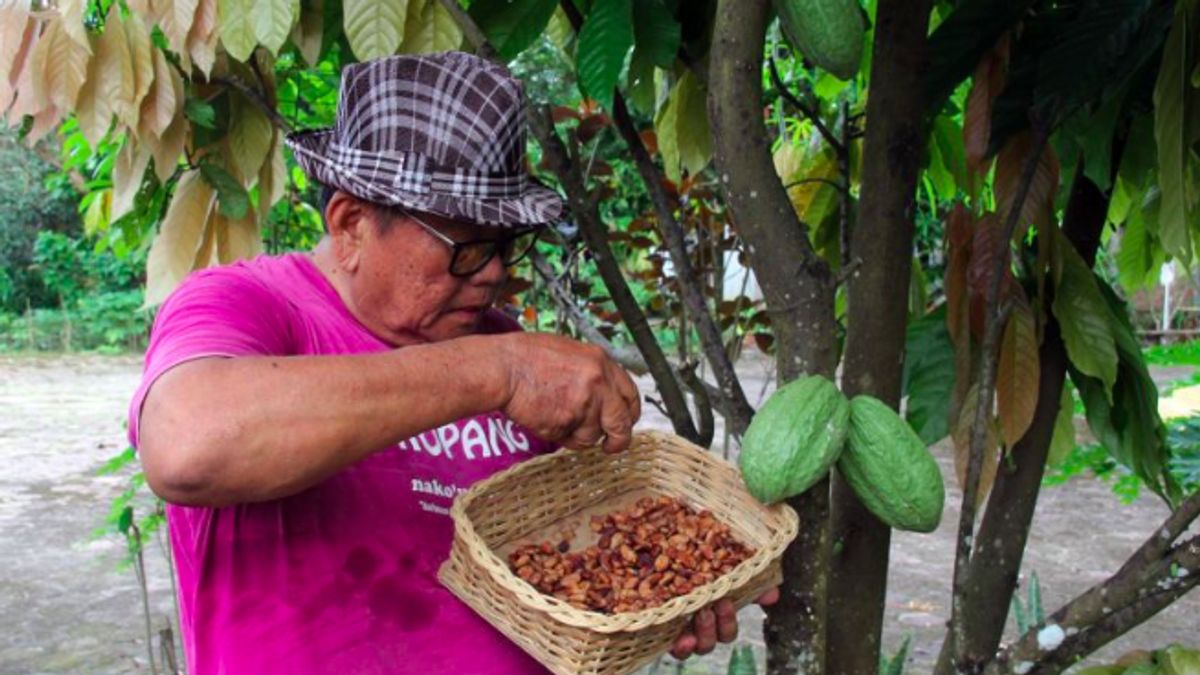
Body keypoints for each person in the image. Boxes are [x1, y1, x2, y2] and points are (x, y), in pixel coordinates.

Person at [130, 52, 773, 674]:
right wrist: (500, 371)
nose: (493, 273)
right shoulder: (248, 305)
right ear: (351, 224)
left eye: (503, 245)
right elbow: (188, 442)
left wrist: (664, 591)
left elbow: (574, 560)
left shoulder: (495, 343)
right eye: (464, 246)